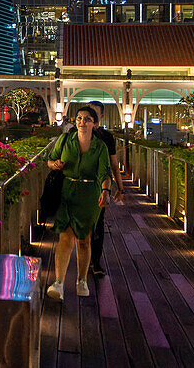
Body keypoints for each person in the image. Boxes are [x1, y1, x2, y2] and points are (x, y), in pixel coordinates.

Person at [45, 105, 111, 301]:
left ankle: (82, 280)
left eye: (87, 119)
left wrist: (106, 191)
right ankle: (59, 283)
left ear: (95, 124)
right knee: (65, 237)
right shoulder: (65, 140)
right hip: (66, 192)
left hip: (89, 195)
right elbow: (50, 160)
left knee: (84, 240)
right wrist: (55, 165)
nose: (82, 122)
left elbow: (104, 174)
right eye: (79, 118)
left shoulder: (100, 147)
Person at [88, 101, 126, 278]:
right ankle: (85, 260)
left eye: (94, 114)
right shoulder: (74, 134)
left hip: (100, 186)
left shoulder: (106, 137)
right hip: (78, 186)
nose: (90, 118)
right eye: (88, 113)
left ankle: (95, 261)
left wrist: (120, 186)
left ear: (101, 116)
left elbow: (113, 164)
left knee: (97, 224)